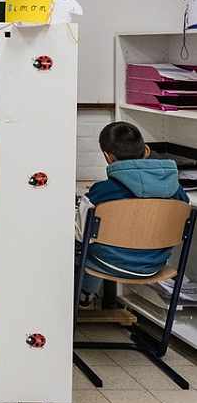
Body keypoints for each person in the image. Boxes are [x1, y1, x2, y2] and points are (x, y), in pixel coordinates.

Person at [76, 122, 189, 306]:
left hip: (107, 264)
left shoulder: (101, 192)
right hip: (154, 265)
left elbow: (81, 234)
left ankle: (84, 295)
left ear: (108, 157)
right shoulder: (176, 191)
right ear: (146, 150)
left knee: (78, 246)